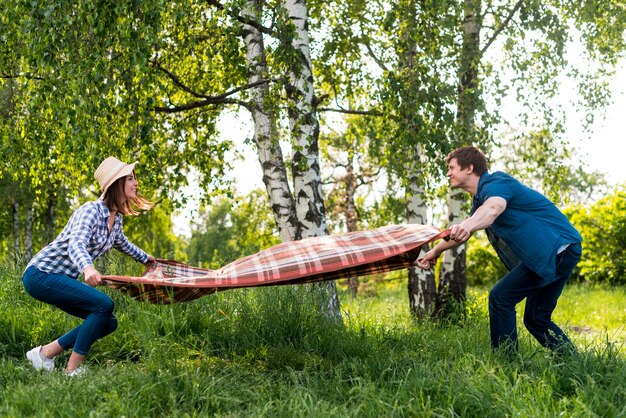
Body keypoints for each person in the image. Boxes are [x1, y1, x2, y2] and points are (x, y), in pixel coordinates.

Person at [418, 146, 582, 353]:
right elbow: (466, 229)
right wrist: (436, 251)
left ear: (469, 168)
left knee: (501, 297)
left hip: (556, 250)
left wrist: (467, 225)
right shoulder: (480, 200)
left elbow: (494, 208)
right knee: (535, 319)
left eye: (452, 168)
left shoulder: (496, 183)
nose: (448, 173)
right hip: (563, 250)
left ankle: (506, 362)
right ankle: (571, 358)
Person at [22, 156, 155, 375]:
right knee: (104, 304)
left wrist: (148, 260)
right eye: (130, 178)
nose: (136, 183)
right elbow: (76, 243)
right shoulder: (90, 210)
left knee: (107, 322)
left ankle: (44, 354)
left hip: (56, 279)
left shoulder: (116, 219)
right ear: (116, 184)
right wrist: (88, 268)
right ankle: (72, 371)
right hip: (41, 274)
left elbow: (124, 244)